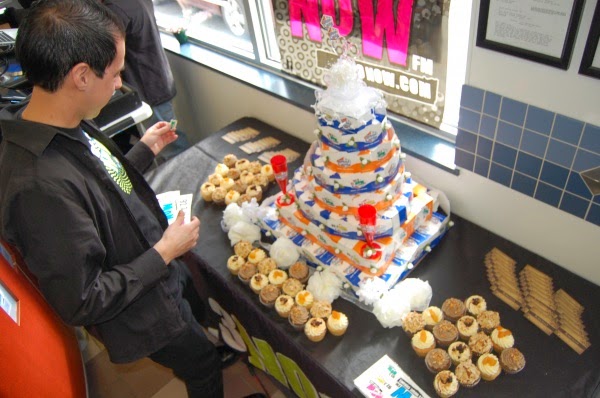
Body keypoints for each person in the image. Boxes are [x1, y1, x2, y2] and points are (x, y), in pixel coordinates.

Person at [0, 0, 223, 396]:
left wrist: (141, 152)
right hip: (143, 310)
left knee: (198, 313)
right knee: (202, 363)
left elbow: (99, 184)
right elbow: (83, 299)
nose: (120, 83)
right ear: (81, 76)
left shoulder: (62, 116)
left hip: (156, 262)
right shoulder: (37, 189)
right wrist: (164, 253)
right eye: (117, 72)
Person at [102, 0, 190, 163]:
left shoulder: (116, 11)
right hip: (158, 80)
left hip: (147, 88)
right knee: (169, 134)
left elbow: (108, 52)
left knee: (170, 142)